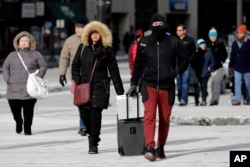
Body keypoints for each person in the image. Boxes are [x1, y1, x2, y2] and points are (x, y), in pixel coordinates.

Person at [127, 13, 189, 161]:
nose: (157, 27)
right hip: (149, 85)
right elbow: (138, 65)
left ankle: (161, 146)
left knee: (165, 119)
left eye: (159, 24)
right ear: (151, 25)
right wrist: (134, 83)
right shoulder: (144, 42)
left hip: (167, 87)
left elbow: (184, 60)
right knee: (149, 117)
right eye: (154, 24)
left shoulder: (174, 42)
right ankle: (150, 147)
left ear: (164, 25)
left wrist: (175, 72)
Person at [71, 20, 124, 154]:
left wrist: (120, 91)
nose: (95, 35)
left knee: (95, 114)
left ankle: (93, 143)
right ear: (88, 34)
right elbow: (75, 65)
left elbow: (114, 70)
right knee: (84, 114)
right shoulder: (83, 48)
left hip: (100, 86)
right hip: (84, 86)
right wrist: (77, 80)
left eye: (97, 33)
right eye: (93, 33)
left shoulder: (107, 50)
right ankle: (92, 133)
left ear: (101, 35)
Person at [2, 31, 47, 135]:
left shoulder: (36, 54)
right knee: (15, 109)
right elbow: (5, 67)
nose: (23, 43)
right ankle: (18, 121)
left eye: (26, 41)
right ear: (18, 43)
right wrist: (7, 78)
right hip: (13, 88)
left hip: (30, 88)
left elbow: (43, 66)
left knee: (28, 111)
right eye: (21, 41)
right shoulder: (12, 55)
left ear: (30, 43)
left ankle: (27, 128)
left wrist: (38, 77)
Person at [58, 19, 88, 136]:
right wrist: (62, 73)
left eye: (80, 27)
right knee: (81, 103)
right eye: (76, 27)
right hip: (77, 78)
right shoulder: (69, 41)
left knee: (90, 104)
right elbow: (64, 57)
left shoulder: (93, 39)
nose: (77, 30)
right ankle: (83, 126)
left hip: (91, 77)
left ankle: (89, 123)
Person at [229, 24, 250, 105]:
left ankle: (248, 99)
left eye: (240, 33)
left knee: (248, 84)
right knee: (237, 83)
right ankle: (238, 99)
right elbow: (232, 55)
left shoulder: (248, 43)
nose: (239, 34)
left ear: (244, 34)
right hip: (237, 67)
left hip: (247, 67)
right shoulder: (235, 43)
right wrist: (231, 66)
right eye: (238, 33)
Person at [176, 24, 196, 106]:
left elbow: (193, 52)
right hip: (177, 65)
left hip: (186, 65)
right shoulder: (174, 40)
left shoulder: (190, 40)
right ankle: (180, 97)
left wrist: (189, 61)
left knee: (185, 82)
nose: (178, 32)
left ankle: (184, 99)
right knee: (179, 84)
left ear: (184, 31)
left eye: (180, 30)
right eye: (177, 30)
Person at [206, 27, 228, 106]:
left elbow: (225, 54)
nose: (213, 37)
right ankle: (210, 99)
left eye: (214, 35)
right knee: (209, 84)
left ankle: (215, 99)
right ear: (209, 36)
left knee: (217, 83)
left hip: (218, 67)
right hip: (209, 68)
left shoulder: (220, 44)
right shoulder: (206, 45)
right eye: (211, 35)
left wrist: (222, 60)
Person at [191, 39, 215, 106]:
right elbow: (193, 61)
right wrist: (194, 68)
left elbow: (213, 62)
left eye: (204, 44)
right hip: (197, 73)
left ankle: (204, 100)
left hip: (206, 73)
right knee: (197, 87)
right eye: (201, 44)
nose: (203, 46)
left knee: (204, 87)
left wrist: (209, 68)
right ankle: (197, 100)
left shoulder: (209, 53)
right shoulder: (196, 53)